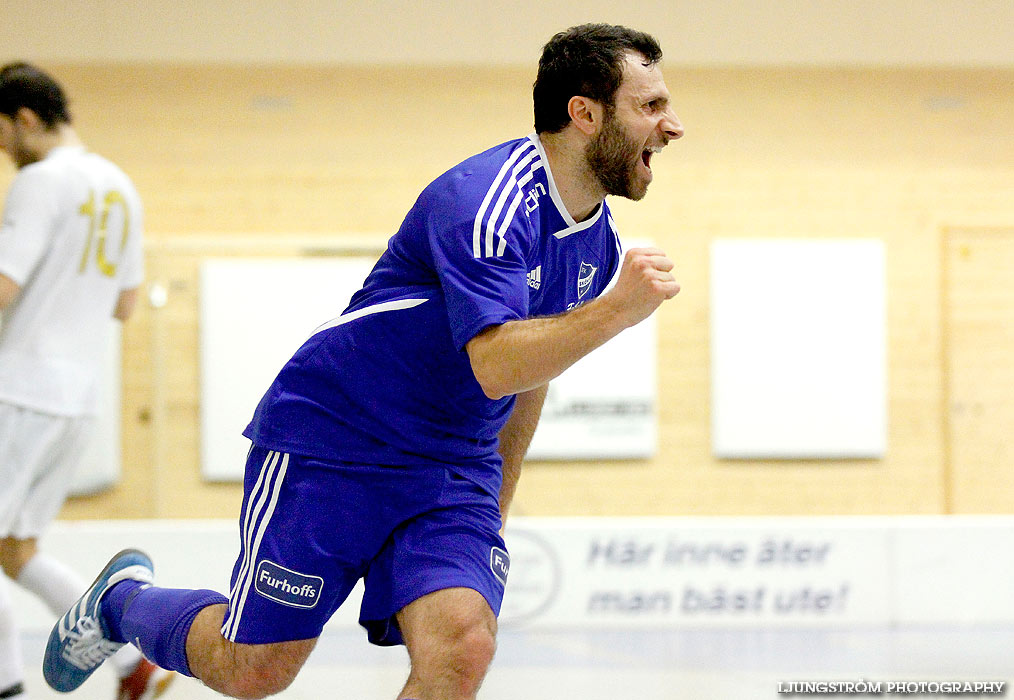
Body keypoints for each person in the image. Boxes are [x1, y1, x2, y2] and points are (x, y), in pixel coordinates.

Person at [43, 23, 683, 700]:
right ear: (584, 114)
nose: (672, 126)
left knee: (463, 643)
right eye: (650, 106)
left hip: (451, 468)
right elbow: (495, 361)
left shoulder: (598, 244)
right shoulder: (486, 202)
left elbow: (530, 377)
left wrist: (494, 503)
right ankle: (120, 602)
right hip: (336, 444)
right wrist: (616, 311)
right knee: (254, 671)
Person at [0, 63, 173, 699]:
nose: (0, 150)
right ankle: (135, 668)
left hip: (18, 390)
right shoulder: (120, 185)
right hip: (77, 397)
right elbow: (125, 304)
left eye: (0, 133)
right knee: (15, 552)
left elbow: (4, 285)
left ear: (23, 118)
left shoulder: (40, 182)